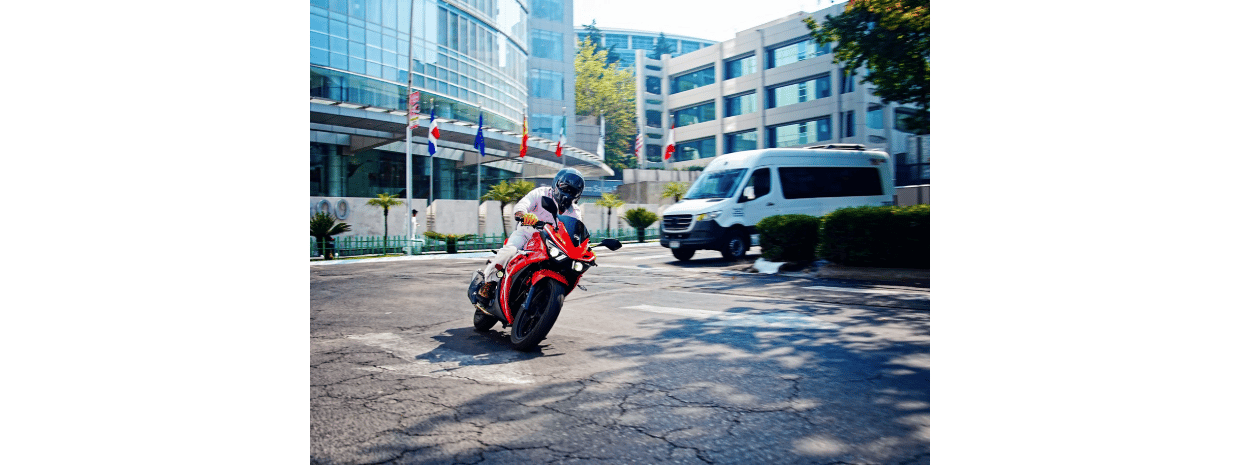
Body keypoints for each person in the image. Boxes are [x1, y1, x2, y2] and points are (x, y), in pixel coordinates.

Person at [476, 168, 585, 301]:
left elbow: (576, 232)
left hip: (549, 243)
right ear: (556, 184)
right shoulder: (541, 193)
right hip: (526, 234)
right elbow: (523, 204)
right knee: (510, 251)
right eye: (566, 188)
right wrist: (523, 214)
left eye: (573, 191)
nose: (568, 193)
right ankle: (488, 282)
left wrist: (582, 246)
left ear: (578, 195)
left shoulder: (574, 212)